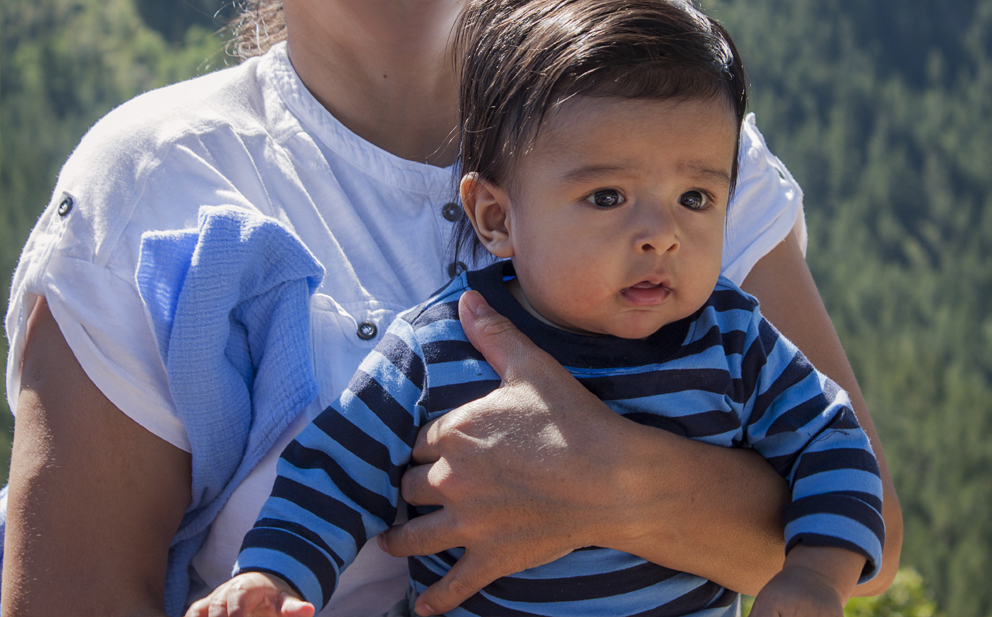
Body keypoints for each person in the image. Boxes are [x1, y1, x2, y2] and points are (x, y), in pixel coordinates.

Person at [0, 0, 901, 616]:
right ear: (491, 214)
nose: (657, 229)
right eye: (603, 200)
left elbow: (863, 524)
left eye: (694, 202)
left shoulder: (664, 118)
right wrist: (270, 576)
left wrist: (604, 482)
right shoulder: (158, 179)